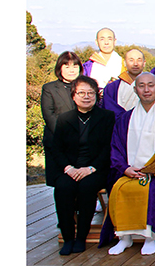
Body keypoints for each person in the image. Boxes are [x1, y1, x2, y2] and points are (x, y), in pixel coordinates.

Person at [100, 72, 155, 255]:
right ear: (135, 89)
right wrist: (125, 169)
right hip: (129, 171)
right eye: (141, 86)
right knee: (118, 188)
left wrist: (152, 169)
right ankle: (124, 238)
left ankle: (150, 237)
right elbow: (116, 149)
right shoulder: (125, 119)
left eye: (151, 85)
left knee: (150, 189)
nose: (146, 90)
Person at [49, 76, 115, 255]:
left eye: (90, 93)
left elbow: (108, 148)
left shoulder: (107, 117)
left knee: (87, 187)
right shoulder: (64, 119)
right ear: (73, 96)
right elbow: (57, 149)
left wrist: (90, 168)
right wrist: (68, 168)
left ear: (96, 95)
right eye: (81, 93)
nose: (86, 97)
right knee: (62, 188)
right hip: (70, 168)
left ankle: (81, 238)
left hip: (95, 169)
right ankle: (68, 238)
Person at [41, 51, 83, 187]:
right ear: (60, 68)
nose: (71, 70)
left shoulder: (86, 87)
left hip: (82, 144)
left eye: (75, 66)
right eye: (67, 66)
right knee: (62, 186)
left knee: (82, 184)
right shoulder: (49, 88)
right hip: (57, 143)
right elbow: (49, 115)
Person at [102, 48, 147, 115]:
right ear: (125, 63)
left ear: (144, 63)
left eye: (139, 60)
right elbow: (109, 108)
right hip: (119, 123)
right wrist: (126, 118)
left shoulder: (152, 86)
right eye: (131, 60)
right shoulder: (112, 87)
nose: (135, 64)